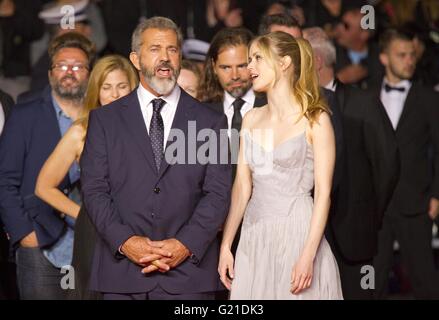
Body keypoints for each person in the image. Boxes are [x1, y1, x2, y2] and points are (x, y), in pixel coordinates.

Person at [80, 16, 232, 300]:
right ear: (135, 59)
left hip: (189, 276)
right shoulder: (105, 120)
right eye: (155, 49)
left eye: (172, 50)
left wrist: (185, 244)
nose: (165, 58)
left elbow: (218, 193)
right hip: (122, 274)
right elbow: (94, 189)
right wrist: (126, 242)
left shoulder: (210, 121)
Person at [218, 31, 343, 299]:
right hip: (254, 236)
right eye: (249, 59)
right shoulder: (250, 119)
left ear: (284, 63)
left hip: (298, 234)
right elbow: (241, 188)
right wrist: (226, 244)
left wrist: (308, 255)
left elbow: (323, 195)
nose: (249, 68)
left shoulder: (316, 120)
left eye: (257, 58)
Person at [304, 27, 399, 299]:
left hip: (354, 234)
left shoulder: (362, 102)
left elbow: (387, 164)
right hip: (305, 233)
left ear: (316, 61)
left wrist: (369, 212)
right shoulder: (295, 107)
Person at [34, 55, 138, 300]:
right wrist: (82, 213)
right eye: (107, 87)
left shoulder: (148, 129)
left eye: (122, 86)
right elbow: (43, 186)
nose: (114, 94)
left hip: (138, 227)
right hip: (95, 231)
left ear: (133, 88)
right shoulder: (81, 131)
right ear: (96, 91)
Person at [0, 32, 94, 300]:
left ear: (89, 73)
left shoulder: (102, 115)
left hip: (92, 243)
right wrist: (23, 233)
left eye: (78, 66)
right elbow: (5, 180)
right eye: (62, 65)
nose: (69, 72)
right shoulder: (25, 113)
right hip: (39, 240)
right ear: (51, 73)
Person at [372, 28, 439, 299]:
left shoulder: (429, 99)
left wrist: (436, 194)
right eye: (401, 55)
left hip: (416, 203)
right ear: (384, 58)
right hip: (376, 206)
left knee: (425, 281)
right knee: (372, 282)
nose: (409, 60)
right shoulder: (366, 95)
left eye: (412, 55)